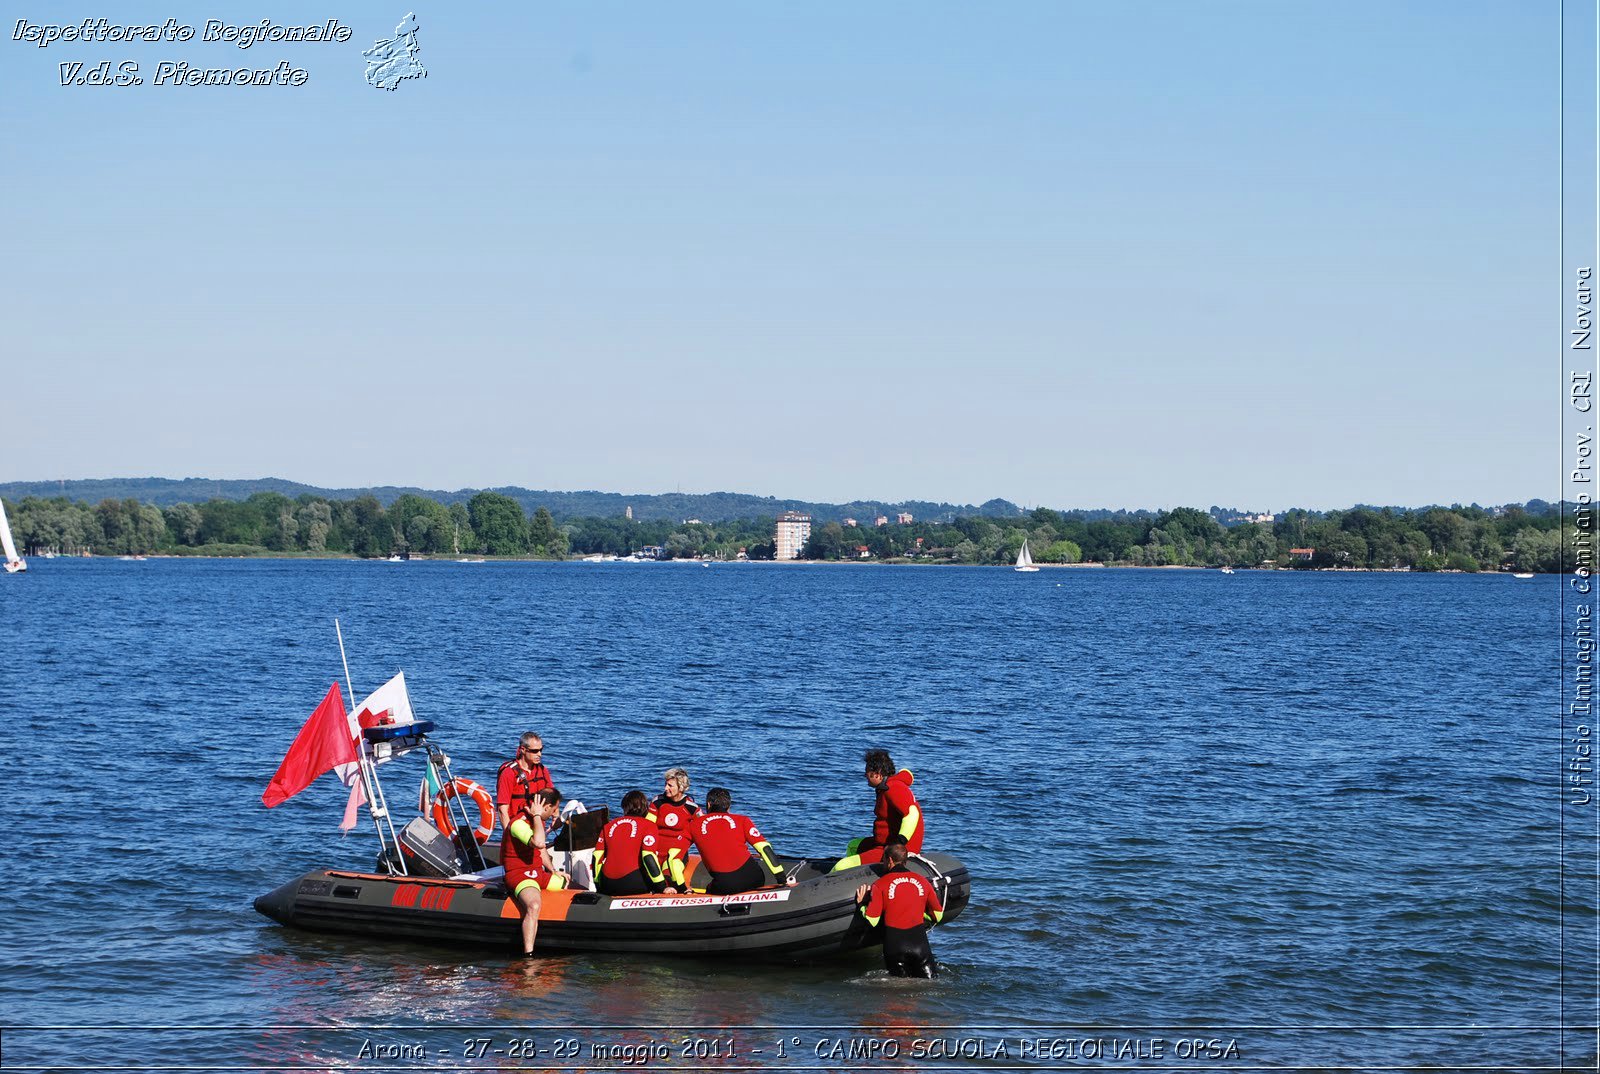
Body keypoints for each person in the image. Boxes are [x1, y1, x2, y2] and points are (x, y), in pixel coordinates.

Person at [854, 837, 944, 978]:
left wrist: (862, 904)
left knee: (898, 993)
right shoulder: (923, 882)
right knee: (930, 987)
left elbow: (872, 920)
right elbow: (938, 916)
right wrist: (920, 913)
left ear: (889, 860)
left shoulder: (880, 884)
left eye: (883, 859)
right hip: (920, 946)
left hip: (895, 947)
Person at [502, 787, 569, 958]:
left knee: (567, 883)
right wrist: (538, 816)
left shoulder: (537, 821)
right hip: (519, 874)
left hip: (537, 873)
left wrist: (553, 871)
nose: (556, 814)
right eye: (555, 810)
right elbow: (538, 843)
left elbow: (542, 851)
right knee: (534, 905)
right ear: (545, 808)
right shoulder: (518, 823)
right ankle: (528, 955)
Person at [832, 748, 924, 872]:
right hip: (882, 843)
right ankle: (857, 879)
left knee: (840, 866)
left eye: (867, 772)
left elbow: (912, 814)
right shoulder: (886, 787)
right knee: (853, 846)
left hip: (894, 849)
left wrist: (899, 843)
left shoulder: (893, 788)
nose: (865, 775)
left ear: (878, 773)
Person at [686, 787, 784, 895]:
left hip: (725, 885)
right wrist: (781, 879)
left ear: (709, 804)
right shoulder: (743, 820)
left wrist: (679, 887)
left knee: (710, 888)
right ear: (728, 806)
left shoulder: (693, 825)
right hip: (755, 879)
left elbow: (675, 856)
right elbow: (764, 848)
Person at [594, 790, 675, 896]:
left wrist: (599, 886)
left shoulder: (608, 826)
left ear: (624, 807)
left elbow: (596, 857)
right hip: (632, 884)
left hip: (607, 885)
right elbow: (648, 856)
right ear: (645, 807)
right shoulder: (649, 825)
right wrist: (662, 887)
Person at [649, 767, 700, 888]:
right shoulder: (657, 802)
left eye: (670, 785)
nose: (665, 788)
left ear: (681, 787)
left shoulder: (691, 808)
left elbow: (701, 831)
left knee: (667, 879)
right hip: (654, 852)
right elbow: (648, 827)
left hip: (674, 855)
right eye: (665, 784)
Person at [497, 732, 554, 834]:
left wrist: (555, 815)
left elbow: (552, 797)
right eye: (535, 751)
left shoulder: (543, 770)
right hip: (517, 829)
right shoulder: (509, 773)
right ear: (523, 750)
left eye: (541, 750)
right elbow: (502, 810)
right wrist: (509, 836)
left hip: (537, 828)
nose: (539, 754)